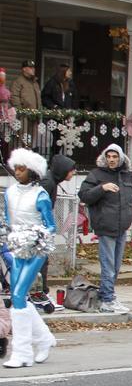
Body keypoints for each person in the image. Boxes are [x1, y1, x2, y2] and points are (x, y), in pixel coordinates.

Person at [2, 149, 58, 368]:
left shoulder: (41, 195)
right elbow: (8, 219)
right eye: (16, 168)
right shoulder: (10, 192)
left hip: (35, 249)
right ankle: (44, 340)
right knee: (19, 298)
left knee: (17, 294)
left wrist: (34, 237)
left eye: (22, 169)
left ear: (32, 172)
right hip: (16, 247)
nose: (17, 172)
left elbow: (51, 226)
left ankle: (22, 352)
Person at [78, 144, 132, 314]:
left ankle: (108, 295)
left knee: (116, 266)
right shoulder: (96, 175)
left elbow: (130, 198)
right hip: (105, 226)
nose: (111, 159)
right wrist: (102, 188)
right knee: (108, 265)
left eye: (115, 156)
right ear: (105, 157)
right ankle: (107, 299)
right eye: (109, 156)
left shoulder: (127, 176)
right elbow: (84, 195)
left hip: (121, 227)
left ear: (121, 158)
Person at [37, 153, 76, 299]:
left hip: (42, 226)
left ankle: (42, 289)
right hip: (40, 227)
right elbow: (40, 206)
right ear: (63, 170)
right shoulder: (48, 183)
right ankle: (40, 290)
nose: (73, 173)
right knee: (41, 260)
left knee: (43, 259)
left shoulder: (52, 181)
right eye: (71, 170)